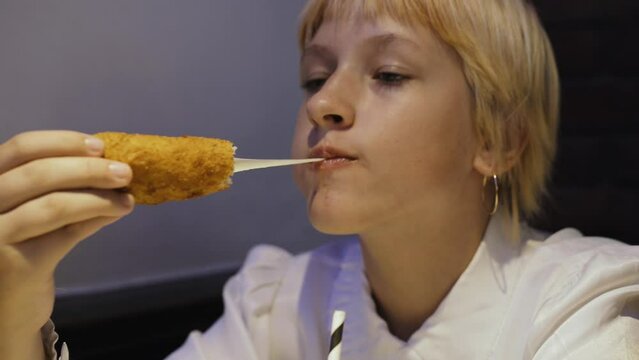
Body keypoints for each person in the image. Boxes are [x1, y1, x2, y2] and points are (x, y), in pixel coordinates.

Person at [1, 0, 638, 359]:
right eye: (314, 77)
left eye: (387, 73)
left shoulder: (585, 315)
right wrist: (15, 318)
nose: (322, 103)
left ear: (495, 139)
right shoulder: (276, 303)